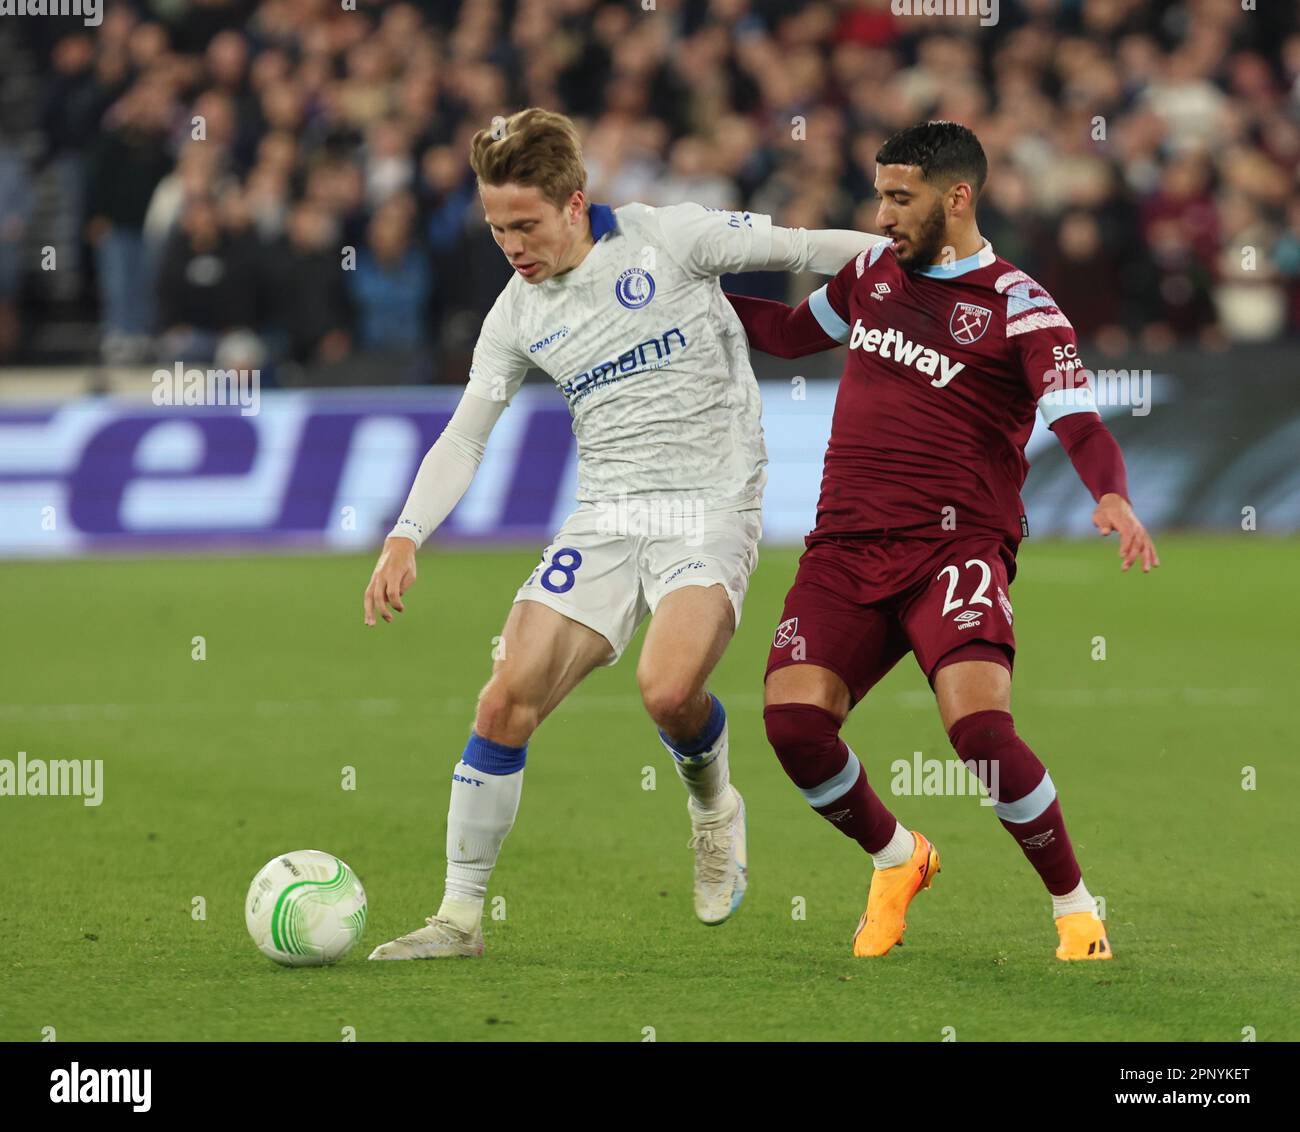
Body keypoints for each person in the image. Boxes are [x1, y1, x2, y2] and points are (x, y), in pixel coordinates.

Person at [362, 108, 882, 959]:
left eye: (525, 224)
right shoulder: (515, 313)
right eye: (496, 228)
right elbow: (465, 434)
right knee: (504, 699)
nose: (512, 245)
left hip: (710, 505)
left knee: (668, 692)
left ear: (574, 203)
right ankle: (457, 920)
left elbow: (801, 247)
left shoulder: (669, 239)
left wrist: (920, 265)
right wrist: (406, 534)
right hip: (606, 515)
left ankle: (713, 804)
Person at [725, 121, 1159, 961]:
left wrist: (1111, 494)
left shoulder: (1021, 306)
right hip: (845, 545)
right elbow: (783, 336)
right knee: (793, 729)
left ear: (957, 197)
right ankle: (898, 857)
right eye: (880, 195)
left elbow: (1077, 419)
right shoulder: (869, 277)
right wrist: (677, 295)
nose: (882, 216)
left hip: (954, 551)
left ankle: (1075, 909)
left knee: (980, 735)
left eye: (900, 198)